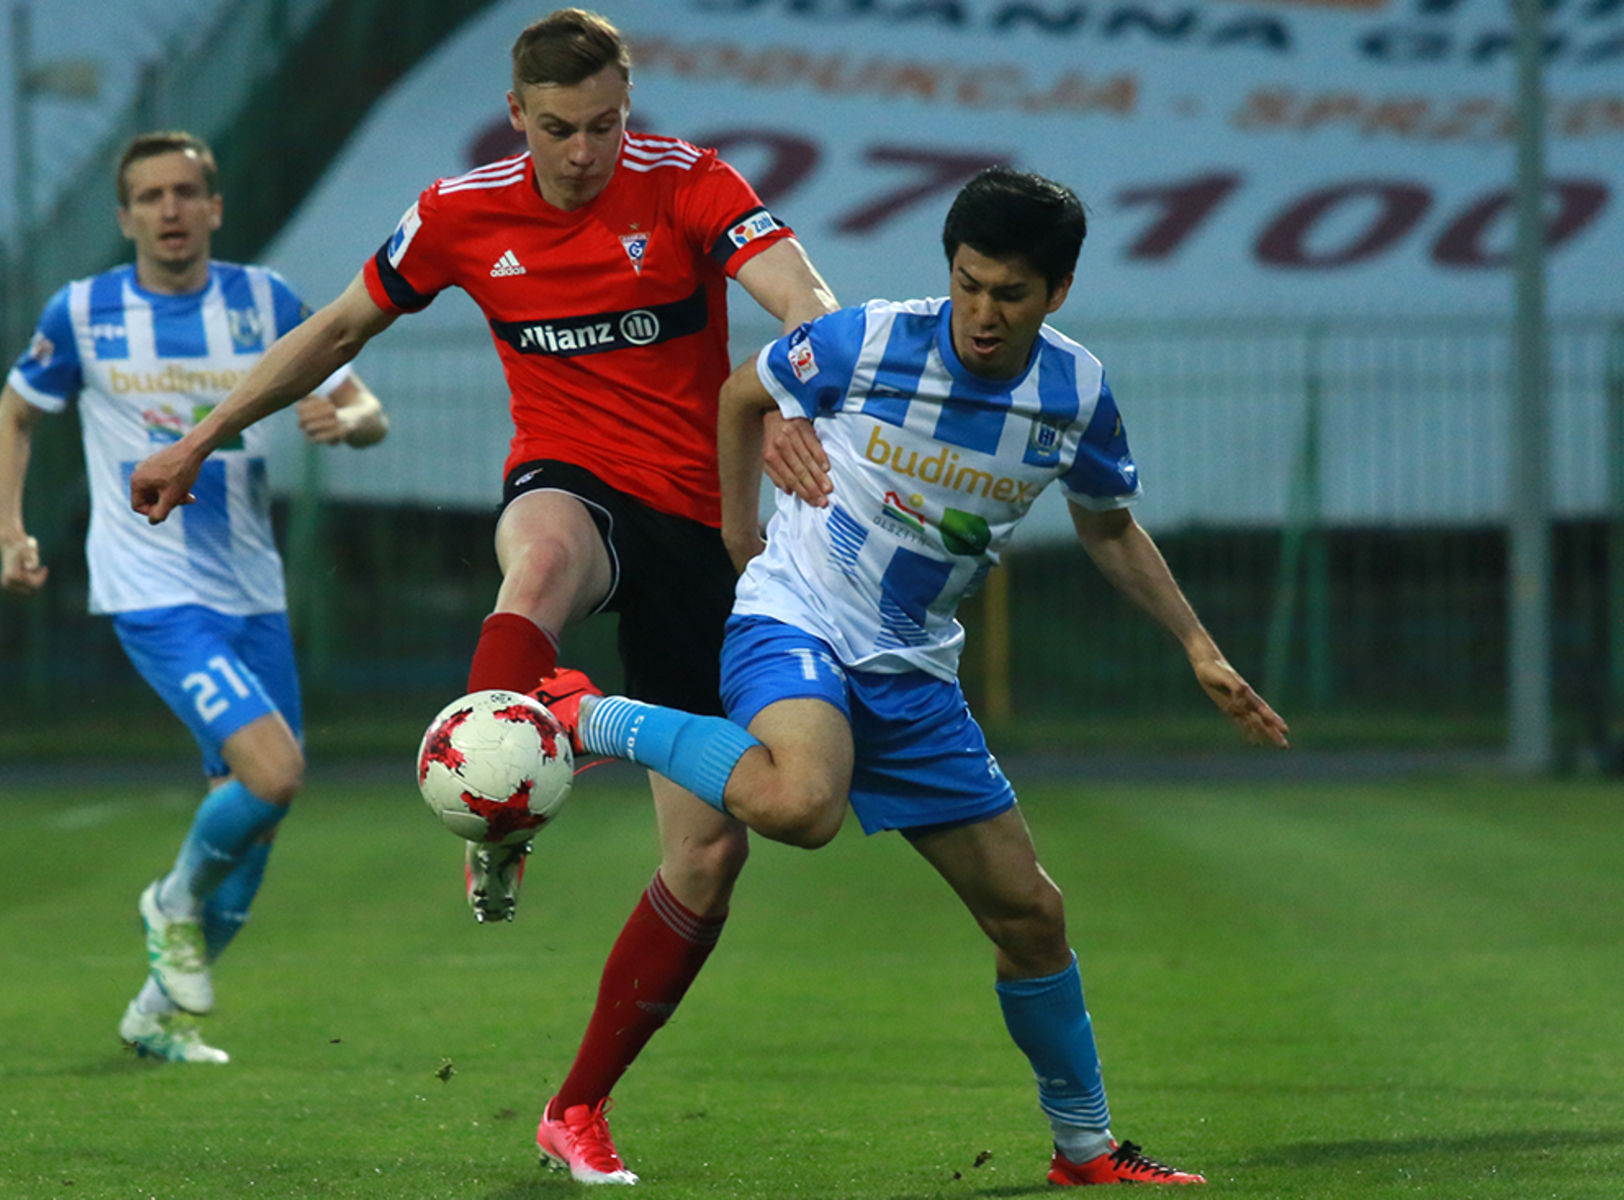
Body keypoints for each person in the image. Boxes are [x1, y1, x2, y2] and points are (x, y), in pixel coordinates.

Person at [126, 7, 835, 1170]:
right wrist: (200, 439)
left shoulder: (690, 183)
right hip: (570, 482)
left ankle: (576, 1110)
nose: (585, 151)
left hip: (706, 529)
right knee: (542, 556)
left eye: (606, 124)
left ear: (628, 107)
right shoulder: (459, 215)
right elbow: (339, 328)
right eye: (559, 128)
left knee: (709, 856)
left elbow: (807, 301)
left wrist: (801, 387)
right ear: (518, 115)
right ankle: (495, 803)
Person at [529, 166, 1290, 1187]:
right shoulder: (872, 339)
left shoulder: (1075, 394)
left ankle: (1085, 1148)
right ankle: (594, 716)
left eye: (1010, 294)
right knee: (801, 803)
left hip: (912, 666)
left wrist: (1198, 646)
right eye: (968, 283)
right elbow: (742, 391)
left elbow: (1108, 529)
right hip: (793, 616)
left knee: (1031, 914)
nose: (983, 313)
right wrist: (740, 529)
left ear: (1056, 293)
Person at [0, 130, 388, 1065]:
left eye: (185, 193)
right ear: (124, 216)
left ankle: (153, 1016)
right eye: (149, 197)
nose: (168, 210)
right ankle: (167, 905)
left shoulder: (264, 301)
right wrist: (11, 530)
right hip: (152, 588)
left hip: (254, 594)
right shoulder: (83, 313)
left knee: (260, 822)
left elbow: (367, 407)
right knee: (275, 774)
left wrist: (349, 420)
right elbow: (12, 417)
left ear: (212, 207)